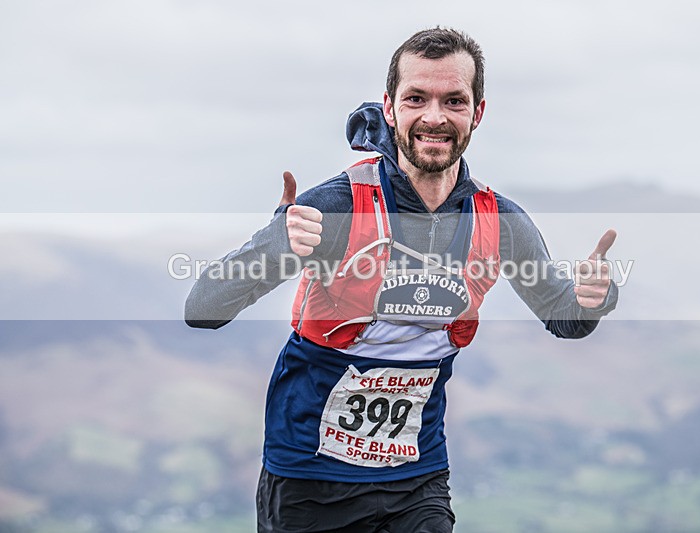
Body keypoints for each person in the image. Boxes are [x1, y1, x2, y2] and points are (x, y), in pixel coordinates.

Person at [185, 27, 618, 533]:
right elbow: (202, 309)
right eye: (417, 98)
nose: (434, 117)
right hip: (308, 480)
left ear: (477, 113)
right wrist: (277, 239)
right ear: (389, 108)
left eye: (453, 100)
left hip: (418, 479)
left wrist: (595, 298)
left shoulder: (501, 221)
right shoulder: (335, 207)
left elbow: (565, 319)